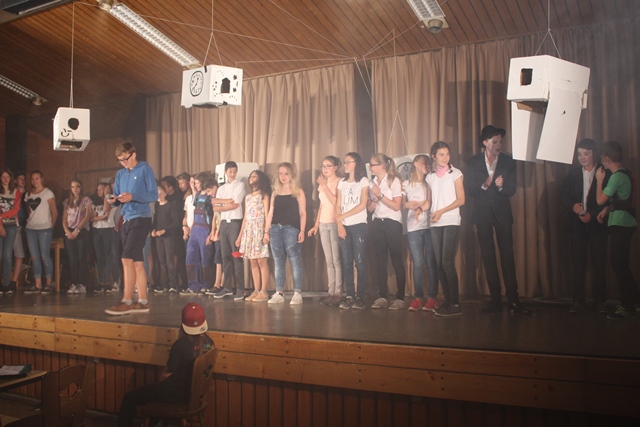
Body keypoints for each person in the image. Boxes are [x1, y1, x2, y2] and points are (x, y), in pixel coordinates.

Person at [465, 126, 531, 315]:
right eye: (495, 142)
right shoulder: (473, 162)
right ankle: (495, 300)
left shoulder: (508, 161)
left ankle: (513, 301)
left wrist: (502, 186)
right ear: (485, 142)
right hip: (482, 214)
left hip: (502, 215)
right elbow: (469, 189)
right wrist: (484, 184)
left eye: (500, 141)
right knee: (488, 257)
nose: (499, 145)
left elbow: (512, 189)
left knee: (507, 257)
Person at [116, 302, 214, 427]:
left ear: (183, 324)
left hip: (176, 395)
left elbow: (166, 374)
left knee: (130, 398)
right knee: (157, 395)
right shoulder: (210, 343)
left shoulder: (180, 345)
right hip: (195, 396)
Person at [105, 142, 158, 315]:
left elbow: (153, 195)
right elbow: (118, 198)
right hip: (126, 219)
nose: (123, 163)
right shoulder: (120, 174)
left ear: (133, 154)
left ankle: (126, 301)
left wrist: (133, 196)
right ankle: (143, 301)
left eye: (125, 159)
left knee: (126, 258)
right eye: (120, 160)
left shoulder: (145, 169)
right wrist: (114, 200)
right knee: (136, 261)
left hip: (141, 218)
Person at [560, 139, 609, 314]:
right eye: (579, 154)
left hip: (597, 225)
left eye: (586, 154)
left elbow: (609, 200)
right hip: (577, 225)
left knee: (599, 263)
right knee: (578, 264)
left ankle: (600, 301)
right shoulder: (573, 173)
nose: (582, 157)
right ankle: (578, 300)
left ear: (594, 154)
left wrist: (592, 215)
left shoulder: (604, 172)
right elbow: (563, 196)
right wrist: (572, 206)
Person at [596, 141, 639, 320]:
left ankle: (629, 305)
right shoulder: (625, 173)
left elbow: (600, 200)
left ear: (606, 158)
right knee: (620, 264)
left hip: (622, 224)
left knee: (619, 264)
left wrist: (599, 180)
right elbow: (623, 200)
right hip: (624, 222)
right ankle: (633, 302)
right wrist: (608, 209)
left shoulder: (616, 177)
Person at [426, 142, 465, 317]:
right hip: (436, 223)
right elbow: (430, 201)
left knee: (447, 262)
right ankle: (448, 301)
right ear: (433, 156)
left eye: (447, 154)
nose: (445, 157)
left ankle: (455, 303)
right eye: (441, 154)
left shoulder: (455, 173)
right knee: (440, 264)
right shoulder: (430, 177)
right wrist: (418, 208)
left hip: (450, 221)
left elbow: (461, 199)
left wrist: (441, 211)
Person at [367, 153, 406, 310]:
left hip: (392, 223)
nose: (370, 167)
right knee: (380, 260)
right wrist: (375, 198)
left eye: (372, 164)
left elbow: (396, 206)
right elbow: (370, 208)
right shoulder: (372, 183)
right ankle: (382, 296)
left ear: (381, 166)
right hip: (377, 222)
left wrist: (380, 195)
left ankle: (400, 298)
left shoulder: (393, 180)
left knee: (396, 259)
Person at [264, 162, 307, 305]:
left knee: (294, 260)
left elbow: (303, 212)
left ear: (291, 175)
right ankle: (279, 293)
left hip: (291, 229)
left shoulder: (298, 191)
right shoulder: (275, 192)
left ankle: (297, 293)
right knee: (278, 261)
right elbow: (270, 213)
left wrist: (302, 230)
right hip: (275, 229)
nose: (283, 176)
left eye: (286, 173)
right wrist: (266, 231)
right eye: (281, 173)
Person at [403, 155, 439, 311]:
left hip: (430, 226)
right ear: (416, 163)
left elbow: (430, 202)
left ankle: (432, 298)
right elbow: (403, 203)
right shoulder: (406, 184)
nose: (427, 166)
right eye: (425, 163)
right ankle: (418, 297)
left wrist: (420, 208)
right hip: (413, 227)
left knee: (431, 263)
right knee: (418, 264)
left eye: (429, 163)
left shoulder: (430, 182)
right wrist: (408, 204)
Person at [308, 156, 343, 306]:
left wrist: (324, 185)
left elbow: (336, 201)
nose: (325, 169)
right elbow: (322, 205)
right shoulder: (322, 184)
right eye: (323, 166)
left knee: (336, 260)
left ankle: (338, 293)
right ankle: (330, 292)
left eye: (328, 166)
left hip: (335, 223)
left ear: (336, 167)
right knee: (329, 260)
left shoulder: (340, 182)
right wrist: (316, 225)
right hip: (323, 223)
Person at [336, 153, 369, 310]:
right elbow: (337, 204)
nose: (345, 165)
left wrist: (343, 215)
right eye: (344, 162)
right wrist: (340, 224)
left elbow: (362, 204)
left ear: (356, 163)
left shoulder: (363, 181)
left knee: (360, 262)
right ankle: (349, 295)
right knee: (347, 262)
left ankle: (360, 296)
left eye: (348, 162)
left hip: (358, 225)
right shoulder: (341, 182)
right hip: (344, 226)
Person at [212, 162, 247, 300]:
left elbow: (236, 202)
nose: (232, 174)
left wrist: (222, 203)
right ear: (225, 172)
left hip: (235, 223)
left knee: (236, 256)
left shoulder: (240, 185)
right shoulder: (221, 188)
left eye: (234, 171)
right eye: (230, 171)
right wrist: (226, 203)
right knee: (225, 256)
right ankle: (227, 287)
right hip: (223, 224)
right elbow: (215, 206)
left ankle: (240, 289)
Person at [236, 170, 271, 303]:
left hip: (259, 229)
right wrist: (240, 236)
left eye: (254, 176)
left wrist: (266, 232)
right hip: (249, 230)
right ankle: (256, 290)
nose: (251, 178)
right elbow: (245, 217)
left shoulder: (264, 195)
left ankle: (264, 291)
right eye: (250, 176)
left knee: (261, 261)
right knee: (252, 262)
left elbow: (267, 215)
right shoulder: (248, 197)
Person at [23, 170, 58, 294]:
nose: (35, 181)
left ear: (42, 179)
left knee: (44, 256)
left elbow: (54, 212)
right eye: (32, 179)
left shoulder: (48, 193)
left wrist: (50, 227)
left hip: (45, 229)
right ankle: (37, 284)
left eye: (37, 178)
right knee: (34, 257)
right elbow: (29, 210)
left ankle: (48, 283)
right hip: (30, 228)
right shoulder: (28, 194)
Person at [183, 173, 216, 294]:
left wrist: (211, 233)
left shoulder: (210, 196)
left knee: (205, 259)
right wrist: (191, 228)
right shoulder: (196, 196)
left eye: (197, 183)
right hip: (195, 229)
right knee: (190, 258)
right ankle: (193, 285)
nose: (195, 185)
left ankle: (206, 284)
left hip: (205, 229)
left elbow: (214, 216)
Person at [62, 179, 93, 294]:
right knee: (72, 259)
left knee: (82, 258)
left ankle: (82, 283)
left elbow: (87, 216)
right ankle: (73, 283)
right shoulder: (67, 201)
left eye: (77, 186)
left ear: (81, 187)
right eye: (73, 187)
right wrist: (67, 230)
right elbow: (64, 219)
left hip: (82, 230)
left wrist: (77, 230)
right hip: (70, 230)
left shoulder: (86, 200)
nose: (75, 189)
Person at [152, 184, 181, 293]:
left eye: (160, 193)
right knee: (161, 260)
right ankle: (165, 284)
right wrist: (153, 230)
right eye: (157, 194)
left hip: (168, 235)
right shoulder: (156, 207)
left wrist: (165, 230)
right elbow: (154, 221)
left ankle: (173, 284)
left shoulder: (170, 205)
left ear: (164, 194)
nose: (159, 196)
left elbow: (176, 222)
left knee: (169, 260)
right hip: (158, 236)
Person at [91, 182, 118, 293]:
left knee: (109, 256)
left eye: (101, 189)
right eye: (98, 189)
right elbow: (92, 218)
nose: (99, 191)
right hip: (97, 230)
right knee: (99, 256)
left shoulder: (111, 198)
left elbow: (107, 209)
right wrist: (102, 217)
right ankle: (101, 281)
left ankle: (110, 281)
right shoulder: (94, 201)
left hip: (108, 229)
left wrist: (107, 194)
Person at [0, 168, 21, 294]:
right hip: (0, 225)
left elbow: (16, 209)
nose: (5, 179)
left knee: (8, 255)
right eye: (3, 177)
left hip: (11, 225)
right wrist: (0, 225)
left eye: (7, 177)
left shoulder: (16, 192)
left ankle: (6, 284)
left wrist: (2, 216)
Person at [10, 172, 28, 292]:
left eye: (24, 179)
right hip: (11, 225)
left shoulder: (29, 194)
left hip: (25, 227)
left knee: (20, 253)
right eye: (20, 178)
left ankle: (17, 280)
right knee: (7, 254)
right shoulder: (11, 193)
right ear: (15, 181)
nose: (22, 181)